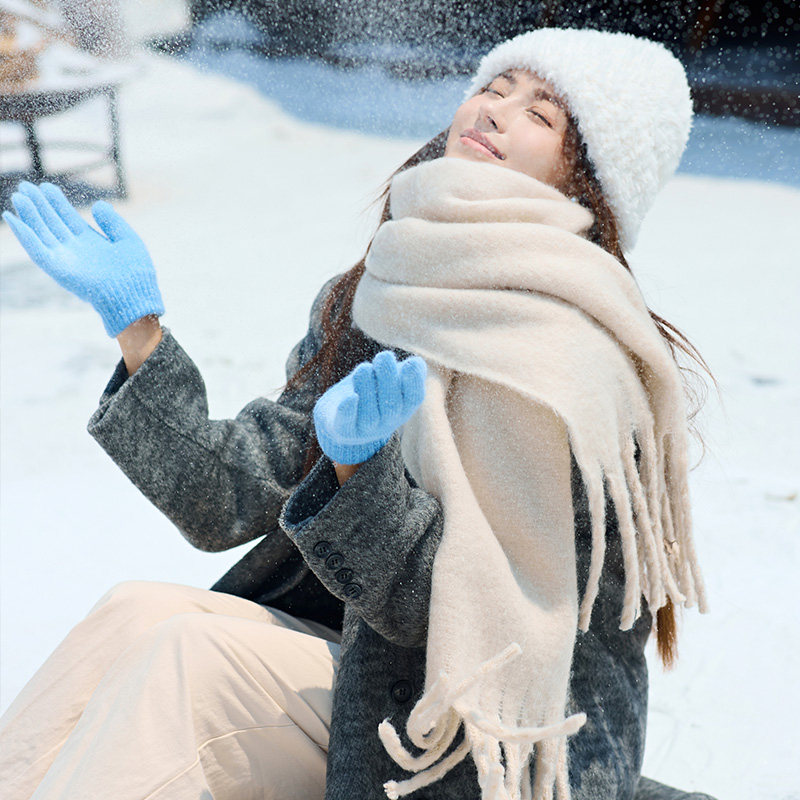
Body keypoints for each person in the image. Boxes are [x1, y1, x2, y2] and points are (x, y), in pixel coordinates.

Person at [0, 27, 719, 800]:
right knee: (134, 614)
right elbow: (231, 497)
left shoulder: (576, 364)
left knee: (186, 658)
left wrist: (357, 472)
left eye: (540, 114)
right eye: (493, 88)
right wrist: (136, 327)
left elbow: (469, 619)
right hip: (371, 676)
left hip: (481, 730)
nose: (495, 112)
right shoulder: (384, 295)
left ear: (587, 182)